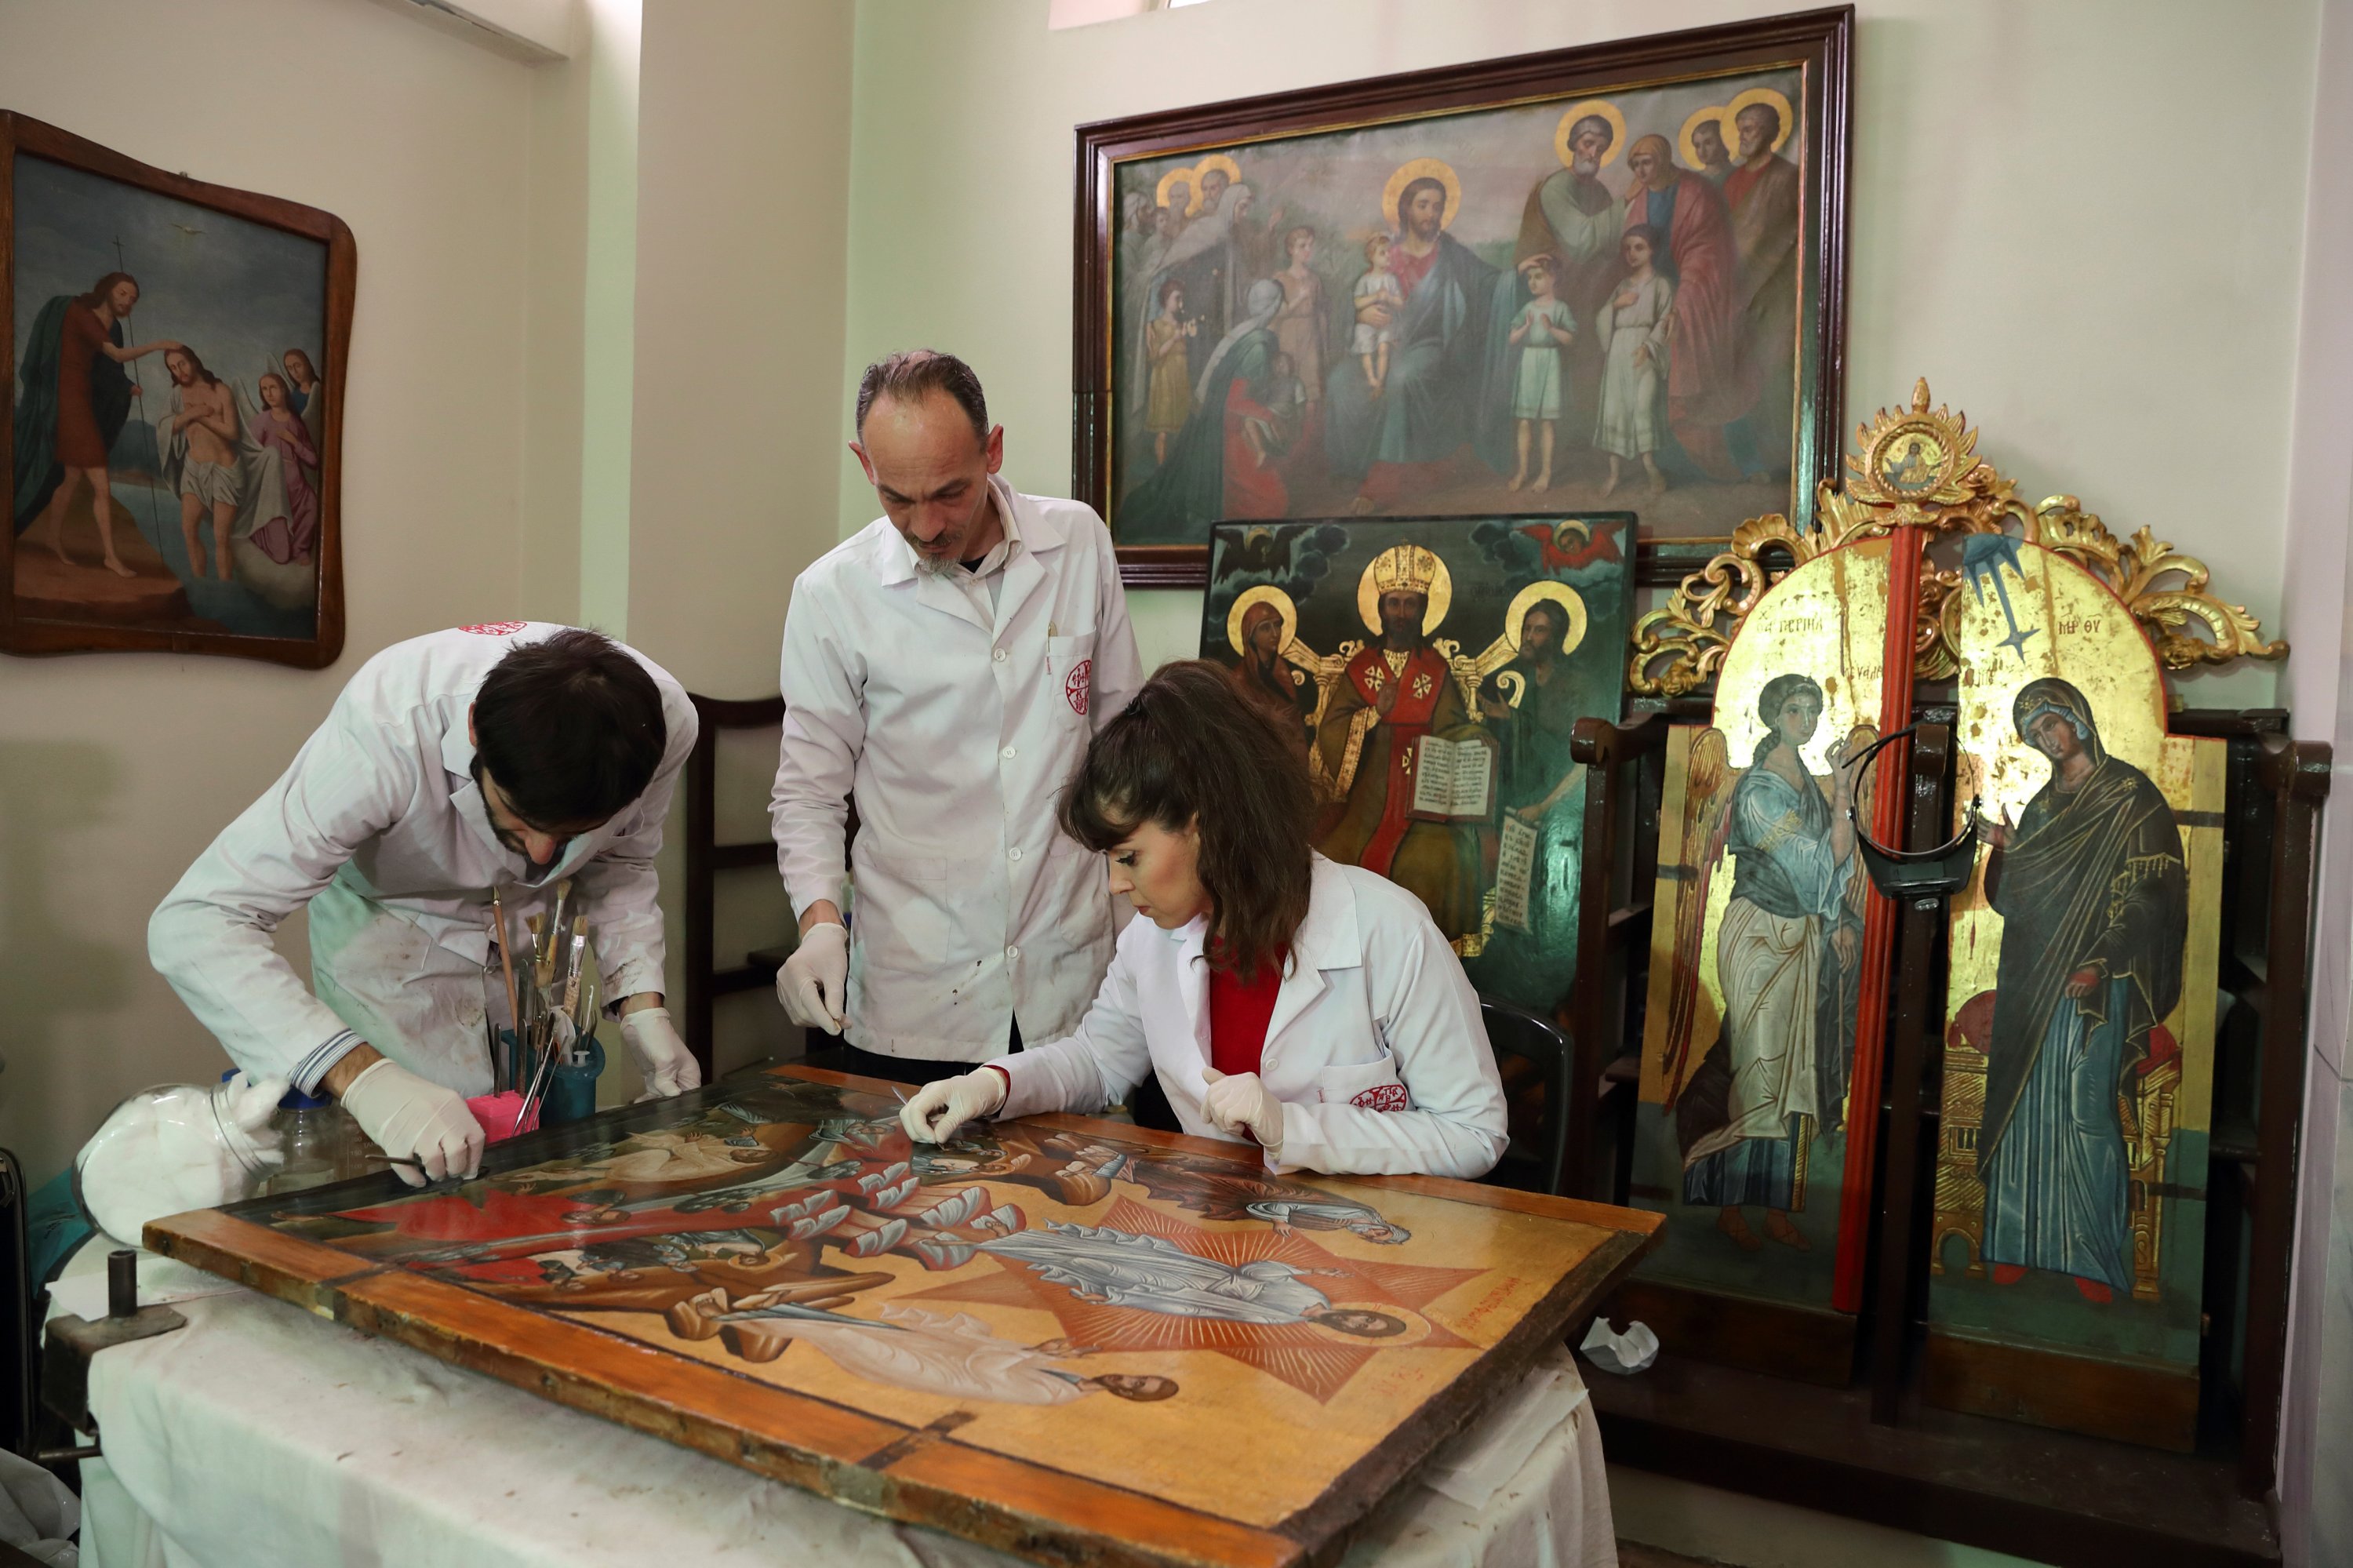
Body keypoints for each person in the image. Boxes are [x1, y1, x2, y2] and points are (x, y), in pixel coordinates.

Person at [898, 660, 1507, 1181]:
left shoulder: (1388, 932)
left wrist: (1295, 1128)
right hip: (1215, 1255)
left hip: (1367, 1267)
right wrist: (994, 1085)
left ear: (1204, 821)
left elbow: (1475, 1133)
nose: (1115, 883)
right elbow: (1098, 1062)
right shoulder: (1154, 939)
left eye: (1128, 856)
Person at [150, 624, 705, 1187]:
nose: (542, 856)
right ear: (473, 734)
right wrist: (367, 1080)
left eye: (570, 835)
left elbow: (622, 862)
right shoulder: (387, 730)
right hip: (392, 927)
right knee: (411, 1182)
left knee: (534, 1168)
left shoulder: (660, 726)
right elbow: (199, 921)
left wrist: (640, 1005)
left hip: (530, 935)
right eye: (520, 819)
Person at [771, 351, 1144, 1085]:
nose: (928, 524)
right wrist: (819, 923)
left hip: (1069, 975)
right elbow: (809, 790)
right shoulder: (831, 595)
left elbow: (1124, 738)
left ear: (993, 449)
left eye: (950, 492)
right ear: (864, 464)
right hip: (916, 991)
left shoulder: (1077, 544)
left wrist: (1138, 914)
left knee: (1075, 1197)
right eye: (898, 499)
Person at [1974, 678, 2185, 1304]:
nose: (2045, 738)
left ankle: (2092, 1253)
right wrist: (2010, 849)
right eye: (2034, 732)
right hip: (2033, 980)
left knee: (2085, 1109)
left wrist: (2102, 958)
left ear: (2080, 719)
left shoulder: (2131, 797)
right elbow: (2017, 900)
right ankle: (2017, 1242)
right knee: (2024, 1108)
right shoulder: (2041, 808)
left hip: (2095, 984)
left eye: (2051, 723)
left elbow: (2152, 891)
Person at [1675, 674, 1863, 1251]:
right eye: (1796, 710)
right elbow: (1812, 866)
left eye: (1814, 710)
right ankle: (1728, 1203)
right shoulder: (1758, 790)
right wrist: (1841, 799)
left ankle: (1779, 1209)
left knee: (1793, 1079)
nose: (1806, 720)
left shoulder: (1808, 781)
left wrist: (1835, 924)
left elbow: (1835, 863)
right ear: (1775, 717)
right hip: (1760, 934)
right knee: (1757, 1073)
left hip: (1800, 936)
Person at [1313, 548, 1489, 943]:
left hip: (1422, 802)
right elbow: (1332, 727)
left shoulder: (1436, 669)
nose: (1402, 613)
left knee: (1436, 863)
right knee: (1330, 859)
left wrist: (1477, 738)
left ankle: (1423, 959)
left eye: (1411, 604)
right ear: (1381, 607)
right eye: (1394, 603)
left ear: (1424, 610)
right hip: (1367, 801)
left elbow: (1454, 728)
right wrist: (1373, 713)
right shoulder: (1361, 667)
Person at [12, 270, 179, 579]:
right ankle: (111, 557)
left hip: (81, 401)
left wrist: (128, 387)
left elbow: (107, 370)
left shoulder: (112, 327)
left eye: (133, 299)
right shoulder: (81, 313)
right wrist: (159, 344)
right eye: (123, 294)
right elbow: (115, 355)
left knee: (72, 478)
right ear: (107, 290)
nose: (128, 302)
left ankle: (51, 537)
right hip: (68, 401)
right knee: (101, 483)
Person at [1620, 133, 1751, 481]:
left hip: (1696, 287)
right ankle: (1660, 460)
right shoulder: (1638, 199)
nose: (1641, 170)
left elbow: (1707, 250)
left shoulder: (1696, 191)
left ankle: (1711, 460)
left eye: (1646, 162)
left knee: (1683, 348)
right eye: (1635, 165)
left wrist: (1684, 299)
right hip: (1655, 289)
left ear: (1663, 159)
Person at [1723, 101, 1802, 475]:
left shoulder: (1788, 178)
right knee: (1737, 371)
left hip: (1776, 291)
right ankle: (1746, 461)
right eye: (1741, 128)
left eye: (1752, 128)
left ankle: (1781, 464)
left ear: (1771, 133)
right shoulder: (1731, 181)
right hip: (1734, 290)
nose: (1744, 136)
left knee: (1772, 371)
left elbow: (1797, 237)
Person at [1595, 225, 1675, 497]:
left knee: (1643, 409)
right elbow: (1603, 319)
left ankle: (1652, 469)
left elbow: (1665, 319)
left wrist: (1648, 347)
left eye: (1639, 247)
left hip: (1645, 351)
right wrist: (1615, 306)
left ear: (1652, 250)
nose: (1632, 253)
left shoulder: (1661, 284)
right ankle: (1614, 474)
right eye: (1627, 248)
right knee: (1615, 410)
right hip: (1619, 352)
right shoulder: (1622, 287)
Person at [155, 347, 243, 582]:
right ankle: (201, 584)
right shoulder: (177, 395)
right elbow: (167, 427)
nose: (179, 371)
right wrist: (192, 415)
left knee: (221, 537)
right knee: (189, 531)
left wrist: (202, 417)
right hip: (193, 469)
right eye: (173, 368)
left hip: (224, 470)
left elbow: (233, 433)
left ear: (193, 361)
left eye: (181, 363)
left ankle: (224, 590)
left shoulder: (220, 390)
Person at [1506, 256, 1576, 493]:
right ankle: (1523, 471)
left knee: (1547, 422)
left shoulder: (1561, 308)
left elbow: (1571, 339)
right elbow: (1512, 339)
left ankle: (1545, 472)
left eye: (1539, 277)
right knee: (1524, 421)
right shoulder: (1527, 309)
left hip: (1551, 362)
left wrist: (1551, 329)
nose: (1533, 283)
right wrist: (1525, 327)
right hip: (1529, 362)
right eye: (1530, 278)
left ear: (1553, 278)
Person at [249, 372, 320, 566]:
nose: (269, 393)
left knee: (313, 505)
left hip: (298, 491)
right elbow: (251, 458)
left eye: (273, 387)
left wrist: (294, 442)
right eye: (264, 389)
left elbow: (313, 460)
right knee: (281, 557)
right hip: (274, 494)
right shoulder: (261, 421)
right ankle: (258, 533)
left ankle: (300, 548)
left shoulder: (296, 423)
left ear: (283, 390)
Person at [1270, 227, 1328, 416]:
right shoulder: (1281, 279)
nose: (1307, 250)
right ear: (1290, 250)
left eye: (1310, 246)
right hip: (1287, 336)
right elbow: (1274, 314)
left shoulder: (1314, 280)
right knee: (1287, 388)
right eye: (1302, 246)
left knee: (1311, 389)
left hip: (1310, 337)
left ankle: (1310, 439)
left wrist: (1324, 344)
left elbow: (1320, 313)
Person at [1144, 280, 1195, 464]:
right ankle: (1162, 469)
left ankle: (1179, 468)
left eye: (1182, 299)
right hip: (1165, 378)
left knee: (1182, 427)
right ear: (1166, 299)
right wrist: (1174, 339)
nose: (1181, 303)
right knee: (1163, 431)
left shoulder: (1181, 324)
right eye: (1177, 298)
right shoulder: (1155, 325)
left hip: (1180, 377)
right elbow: (1155, 356)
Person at [1351, 235, 1405, 397]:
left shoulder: (1391, 280)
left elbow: (1401, 303)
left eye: (1389, 252)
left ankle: (1380, 382)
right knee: (1367, 350)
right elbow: (1358, 302)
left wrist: (1389, 298)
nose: (1388, 255)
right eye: (1383, 253)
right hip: (1367, 325)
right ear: (1372, 257)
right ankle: (1371, 378)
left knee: (1383, 349)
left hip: (1386, 324)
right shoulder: (1365, 280)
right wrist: (1375, 297)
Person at [1690, 115, 1735, 184]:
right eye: (1697, 146)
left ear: (1723, 143)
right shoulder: (1694, 180)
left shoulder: (1737, 174)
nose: (1702, 150)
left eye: (1708, 143)